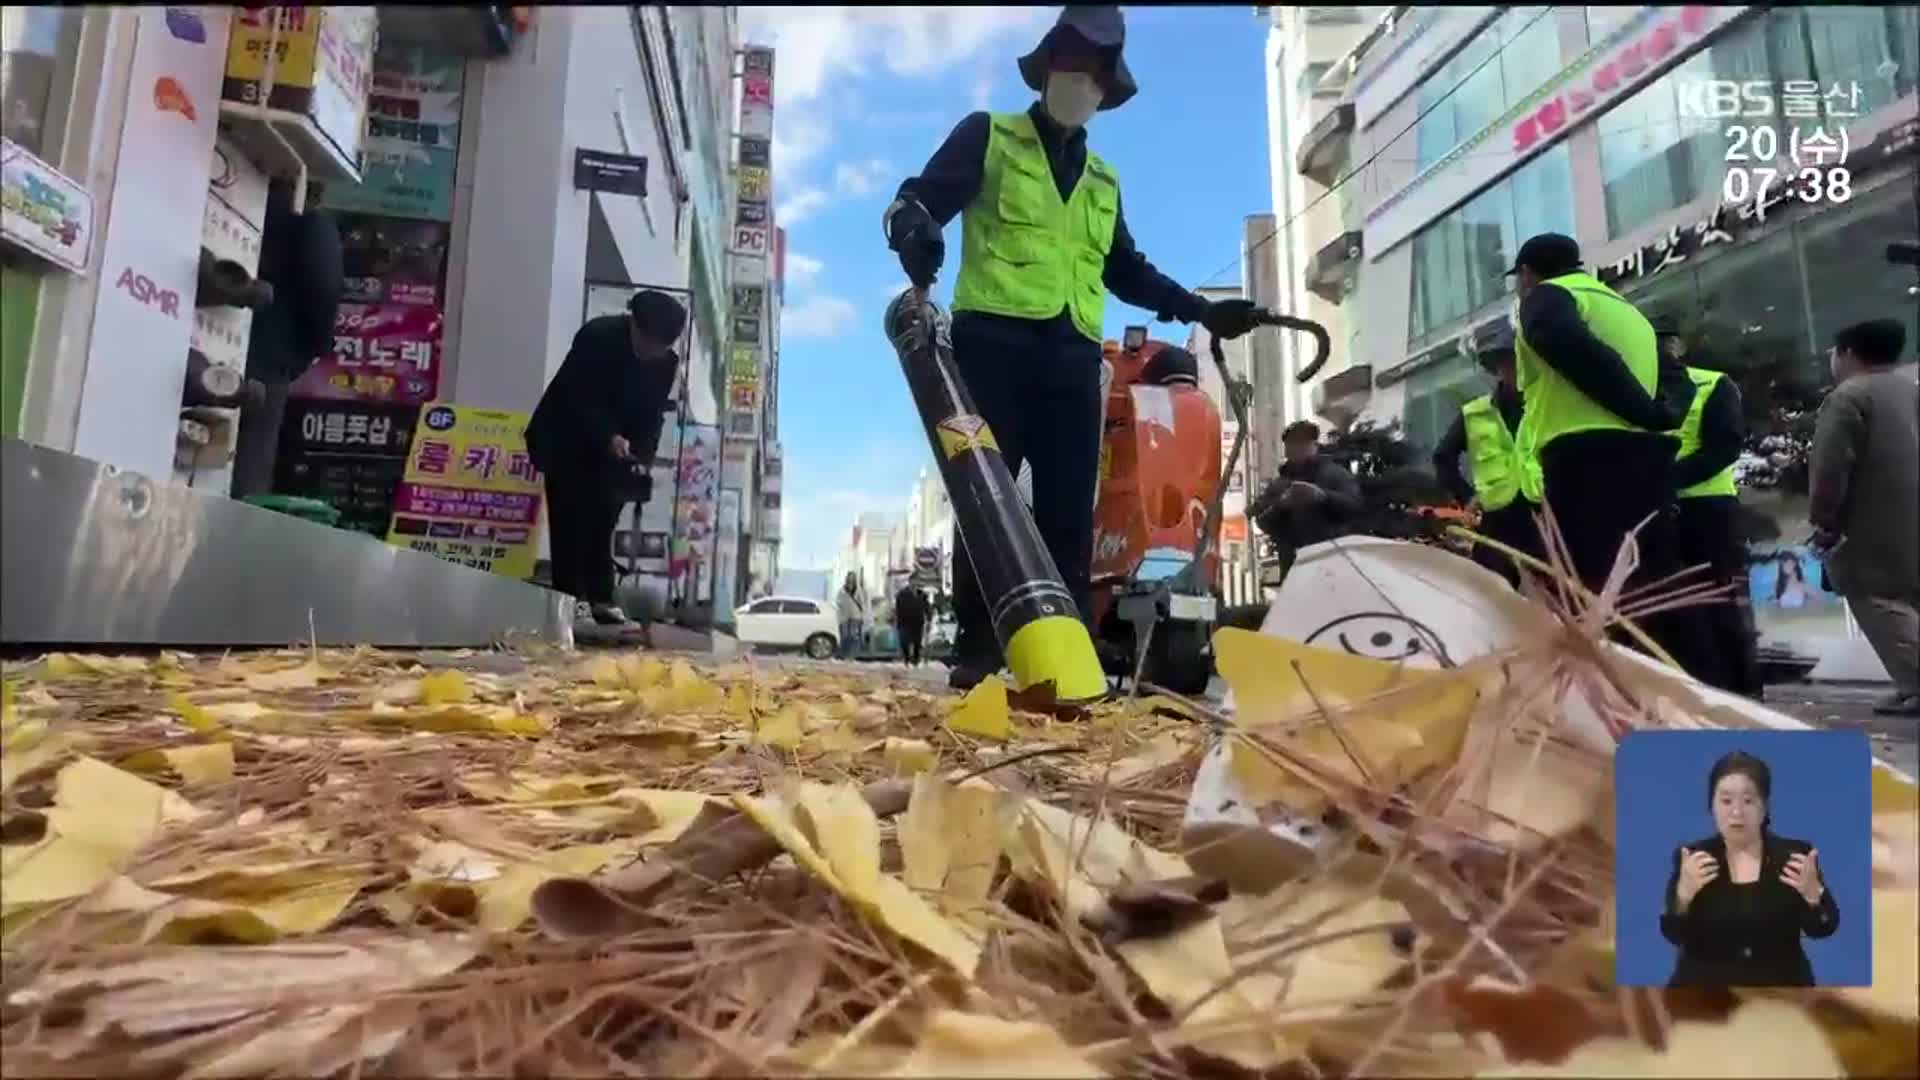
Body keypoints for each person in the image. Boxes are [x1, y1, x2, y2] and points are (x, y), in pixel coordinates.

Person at [883, 4, 1265, 691]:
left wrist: (1204, 310)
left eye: (1093, 72)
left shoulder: (1103, 181)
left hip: (1071, 360)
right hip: (989, 346)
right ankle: (978, 648)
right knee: (985, 497)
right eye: (1070, 63)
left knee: (1067, 512)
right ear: (1046, 67)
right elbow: (916, 200)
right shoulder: (989, 136)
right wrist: (914, 230)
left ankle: (1065, 651)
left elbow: (1127, 270)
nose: (1079, 81)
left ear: (1106, 88)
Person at [1506, 232, 1724, 687]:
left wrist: (1641, 410)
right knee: (1655, 580)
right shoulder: (1628, 313)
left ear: (1526, 274)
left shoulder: (1549, 297)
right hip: (1644, 460)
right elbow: (1675, 377)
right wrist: (1659, 416)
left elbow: (1560, 341)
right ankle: (1690, 688)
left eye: (1520, 280)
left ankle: (1613, 693)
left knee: (1592, 586)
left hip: (1587, 462)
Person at [524, 290, 684, 629]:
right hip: (565, 437)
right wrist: (607, 435)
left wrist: (643, 454)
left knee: (603, 516)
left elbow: (651, 414)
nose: (653, 352)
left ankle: (601, 598)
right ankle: (569, 599)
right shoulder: (598, 337)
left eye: (661, 347)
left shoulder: (665, 365)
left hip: (614, 452)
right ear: (633, 325)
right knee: (569, 516)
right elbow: (578, 394)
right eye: (648, 343)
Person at [1809, 318, 1919, 717]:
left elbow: (1831, 466)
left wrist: (1823, 518)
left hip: (1870, 518)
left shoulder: (1849, 397)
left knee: (1876, 598)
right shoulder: (1910, 388)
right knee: (1910, 599)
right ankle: (1909, 685)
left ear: (1849, 354)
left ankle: (1916, 682)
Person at [1661, 750, 1838, 987]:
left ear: (1764, 806)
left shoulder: (1795, 857)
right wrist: (1683, 896)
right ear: (1711, 805)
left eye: (1748, 801)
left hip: (1780, 998)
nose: (1736, 812)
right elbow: (1674, 934)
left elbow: (1822, 928)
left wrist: (1814, 896)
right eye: (1726, 801)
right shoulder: (1693, 859)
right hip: (1705, 999)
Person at [1660, 325, 1761, 696]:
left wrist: (1665, 480)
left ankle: (1742, 693)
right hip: (1659, 513)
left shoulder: (1712, 384)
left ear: (1678, 346)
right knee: (1676, 611)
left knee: (1721, 606)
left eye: (1663, 342)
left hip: (1707, 512)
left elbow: (1723, 448)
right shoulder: (1634, 394)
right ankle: (1696, 692)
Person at [232, 183, 344, 497]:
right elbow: (323, 289)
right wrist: (309, 350)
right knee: (241, 472)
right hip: (268, 359)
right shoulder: (311, 226)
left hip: (206, 326)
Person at [1431, 336, 1541, 588]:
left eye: (1522, 362)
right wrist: (1466, 497)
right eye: (1510, 362)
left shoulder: (1544, 406)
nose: (1516, 369)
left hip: (1543, 516)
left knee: (1552, 599)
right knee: (1491, 595)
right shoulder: (1475, 413)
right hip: (1496, 520)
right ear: (1499, 368)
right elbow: (1443, 457)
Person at [1250, 420, 1363, 583]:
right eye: (1294, 444)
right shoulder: (1279, 484)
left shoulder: (1335, 475)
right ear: (1287, 449)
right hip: (1293, 567)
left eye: (1304, 443)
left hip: (1330, 564)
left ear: (1314, 445)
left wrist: (1323, 497)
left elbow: (1354, 506)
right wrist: (1281, 505)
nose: (1299, 449)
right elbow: (1262, 521)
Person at [895, 583, 929, 666]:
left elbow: (927, 607)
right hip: (904, 622)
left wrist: (929, 618)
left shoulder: (922, 594)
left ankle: (915, 660)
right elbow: (897, 608)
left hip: (917, 622)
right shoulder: (901, 594)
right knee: (904, 642)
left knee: (917, 642)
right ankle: (907, 658)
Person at [835, 573, 866, 660]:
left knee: (854, 636)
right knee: (844, 636)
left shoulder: (858, 590)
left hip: (856, 616)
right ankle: (844, 654)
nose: (850, 579)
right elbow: (838, 602)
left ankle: (852, 655)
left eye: (852, 578)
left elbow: (863, 603)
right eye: (849, 578)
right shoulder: (842, 590)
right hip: (844, 617)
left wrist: (863, 616)